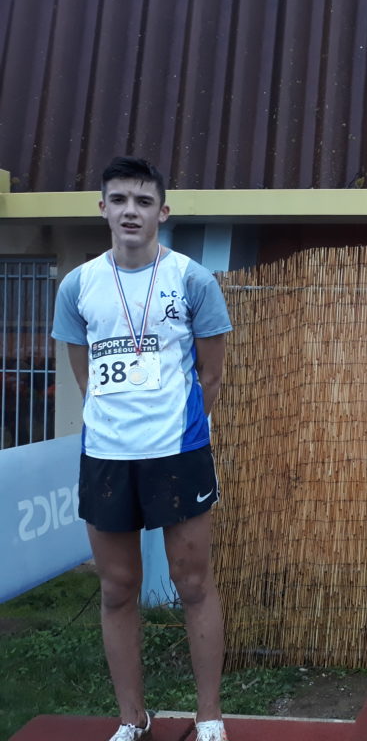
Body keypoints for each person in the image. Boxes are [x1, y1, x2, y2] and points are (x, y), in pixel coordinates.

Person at [51, 157, 232, 741]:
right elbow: (84, 373)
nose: (132, 211)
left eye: (144, 201)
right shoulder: (77, 285)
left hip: (176, 452)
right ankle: (132, 719)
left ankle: (209, 718)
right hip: (107, 454)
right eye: (120, 199)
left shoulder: (193, 280)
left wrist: (173, 427)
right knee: (117, 587)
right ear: (102, 207)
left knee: (193, 581)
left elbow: (213, 374)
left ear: (163, 211)